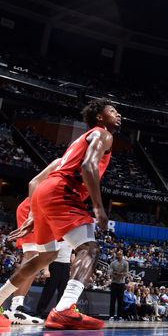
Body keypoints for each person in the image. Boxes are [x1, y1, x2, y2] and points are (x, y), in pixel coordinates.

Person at [3, 100, 121, 330]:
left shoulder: (78, 142)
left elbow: (45, 179)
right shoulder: (103, 135)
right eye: (113, 111)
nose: (119, 114)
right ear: (99, 117)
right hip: (62, 192)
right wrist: (98, 207)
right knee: (90, 248)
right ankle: (65, 308)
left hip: (46, 193)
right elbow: (88, 167)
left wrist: (36, 213)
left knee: (45, 257)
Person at [1, 197, 44, 325]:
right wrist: (32, 213)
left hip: (45, 211)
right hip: (34, 209)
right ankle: (15, 307)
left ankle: (17, 306)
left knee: (39, 259)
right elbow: (34, 183)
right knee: (32, 255)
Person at [34, 242, 72, 318]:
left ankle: (60, 313)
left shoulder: (70, 240)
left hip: (66, 266)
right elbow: (48, 255)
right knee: (49, 290)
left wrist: (72, 269)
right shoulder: (55, 240)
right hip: (54, 264)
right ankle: (39, 312)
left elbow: (72, 256)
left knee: (63, 292)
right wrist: (46, 269)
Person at [109, 249, 129, 320]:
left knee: (120, 300)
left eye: (120, 254)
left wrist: (118, 273)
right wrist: (118, 274)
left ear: (122, 255)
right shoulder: (113, 263)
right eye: (118, 254)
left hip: (121, 284)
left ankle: (120, 316)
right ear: (116, 255)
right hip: (114, 283)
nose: (119, 256)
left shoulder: (126, 263)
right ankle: (111, 315)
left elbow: (126, 273)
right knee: (113, 300)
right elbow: (111, 272)